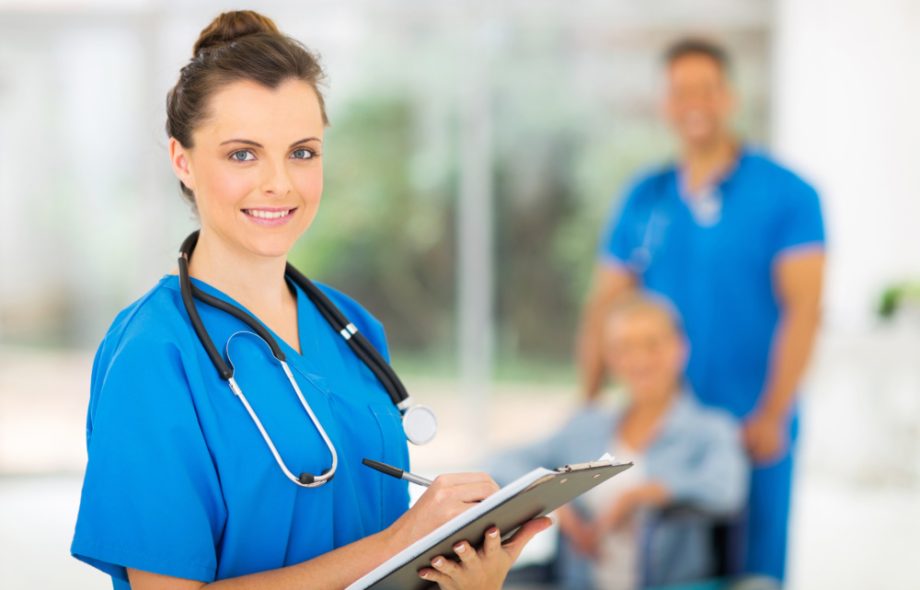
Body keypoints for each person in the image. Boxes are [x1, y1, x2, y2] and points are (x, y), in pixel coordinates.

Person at [70, 11, 548, 590]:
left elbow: (389, 562)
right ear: (182, 161)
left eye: (302, 152)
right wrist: (399, 542)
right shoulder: (152, 355)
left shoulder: (352, 327)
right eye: (243, 154)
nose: (280, 183)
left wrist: (457, 570)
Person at [576, 38, 826, 585]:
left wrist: (774, 412)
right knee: (659, 561)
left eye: (706, 89)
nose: (694, 103)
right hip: (668, 426)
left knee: (751, 570)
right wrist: (588, 406)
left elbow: (805, 310)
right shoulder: (645, 197)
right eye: (680, 91)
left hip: (751, 421)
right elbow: (604, 307)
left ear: (729, 97)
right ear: (665, 103)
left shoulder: (789, 195)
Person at [493, 294, 747, 589]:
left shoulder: (711, 429)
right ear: (611, 358)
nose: (639, 359)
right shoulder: (586, 426)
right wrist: (550, 501)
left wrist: (644, 494)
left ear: (680, 348)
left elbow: (727, 489)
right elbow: (500, 463)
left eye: (652, 344)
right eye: (624, 348)